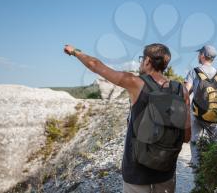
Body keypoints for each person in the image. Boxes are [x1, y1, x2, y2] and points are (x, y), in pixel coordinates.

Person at [64, 43, 191, 193]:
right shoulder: (181, 90)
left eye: (142, 59)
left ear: (148, 61)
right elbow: (187, 136)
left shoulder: (135, 83)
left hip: (137, 171)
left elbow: (95, 65)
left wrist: (74, 52)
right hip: (166, 169)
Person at [184, 45, 217, 167]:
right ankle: (215, 168)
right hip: (215, 115)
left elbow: (185, 92)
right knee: (215, 143)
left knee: (195, 141)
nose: (198, 56)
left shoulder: (194, 71)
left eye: (199, 53)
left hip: (197, 113)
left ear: (203, 55)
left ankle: (197, 169)